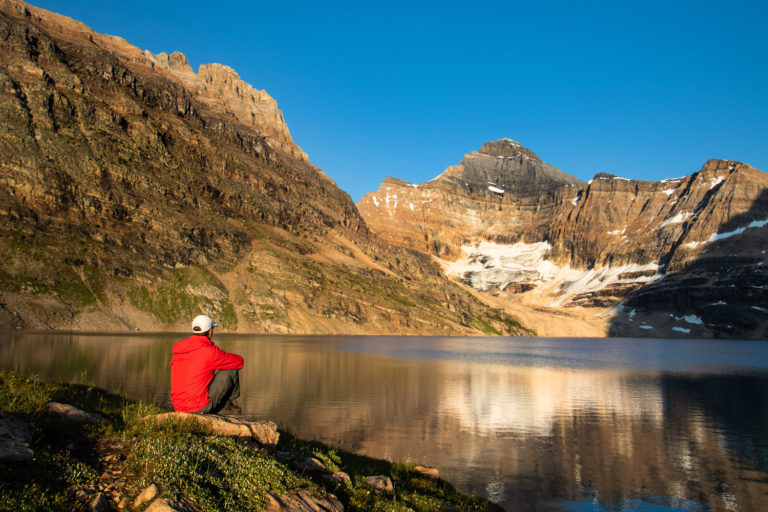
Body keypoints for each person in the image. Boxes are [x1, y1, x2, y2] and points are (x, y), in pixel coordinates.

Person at [170, 314, 244, 415]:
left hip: (178, 407)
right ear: (209, 332)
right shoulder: (209, 352)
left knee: (212, 369)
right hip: (198, 408)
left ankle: (227, 404)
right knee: (231, 368)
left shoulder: (179, 352)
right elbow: (239, 362)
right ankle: (229, 403)